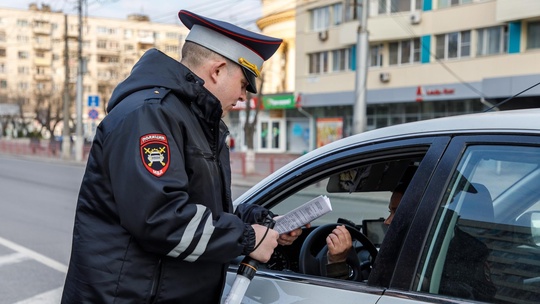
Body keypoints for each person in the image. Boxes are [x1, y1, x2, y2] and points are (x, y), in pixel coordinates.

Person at [61, 10, 302, 303]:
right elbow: (160, 219)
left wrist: (263, 223)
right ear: (217, 70)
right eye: (243, 84)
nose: (243, 97)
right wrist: (248, 238)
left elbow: (202, 208)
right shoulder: (151, 115)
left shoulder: (195, 121)